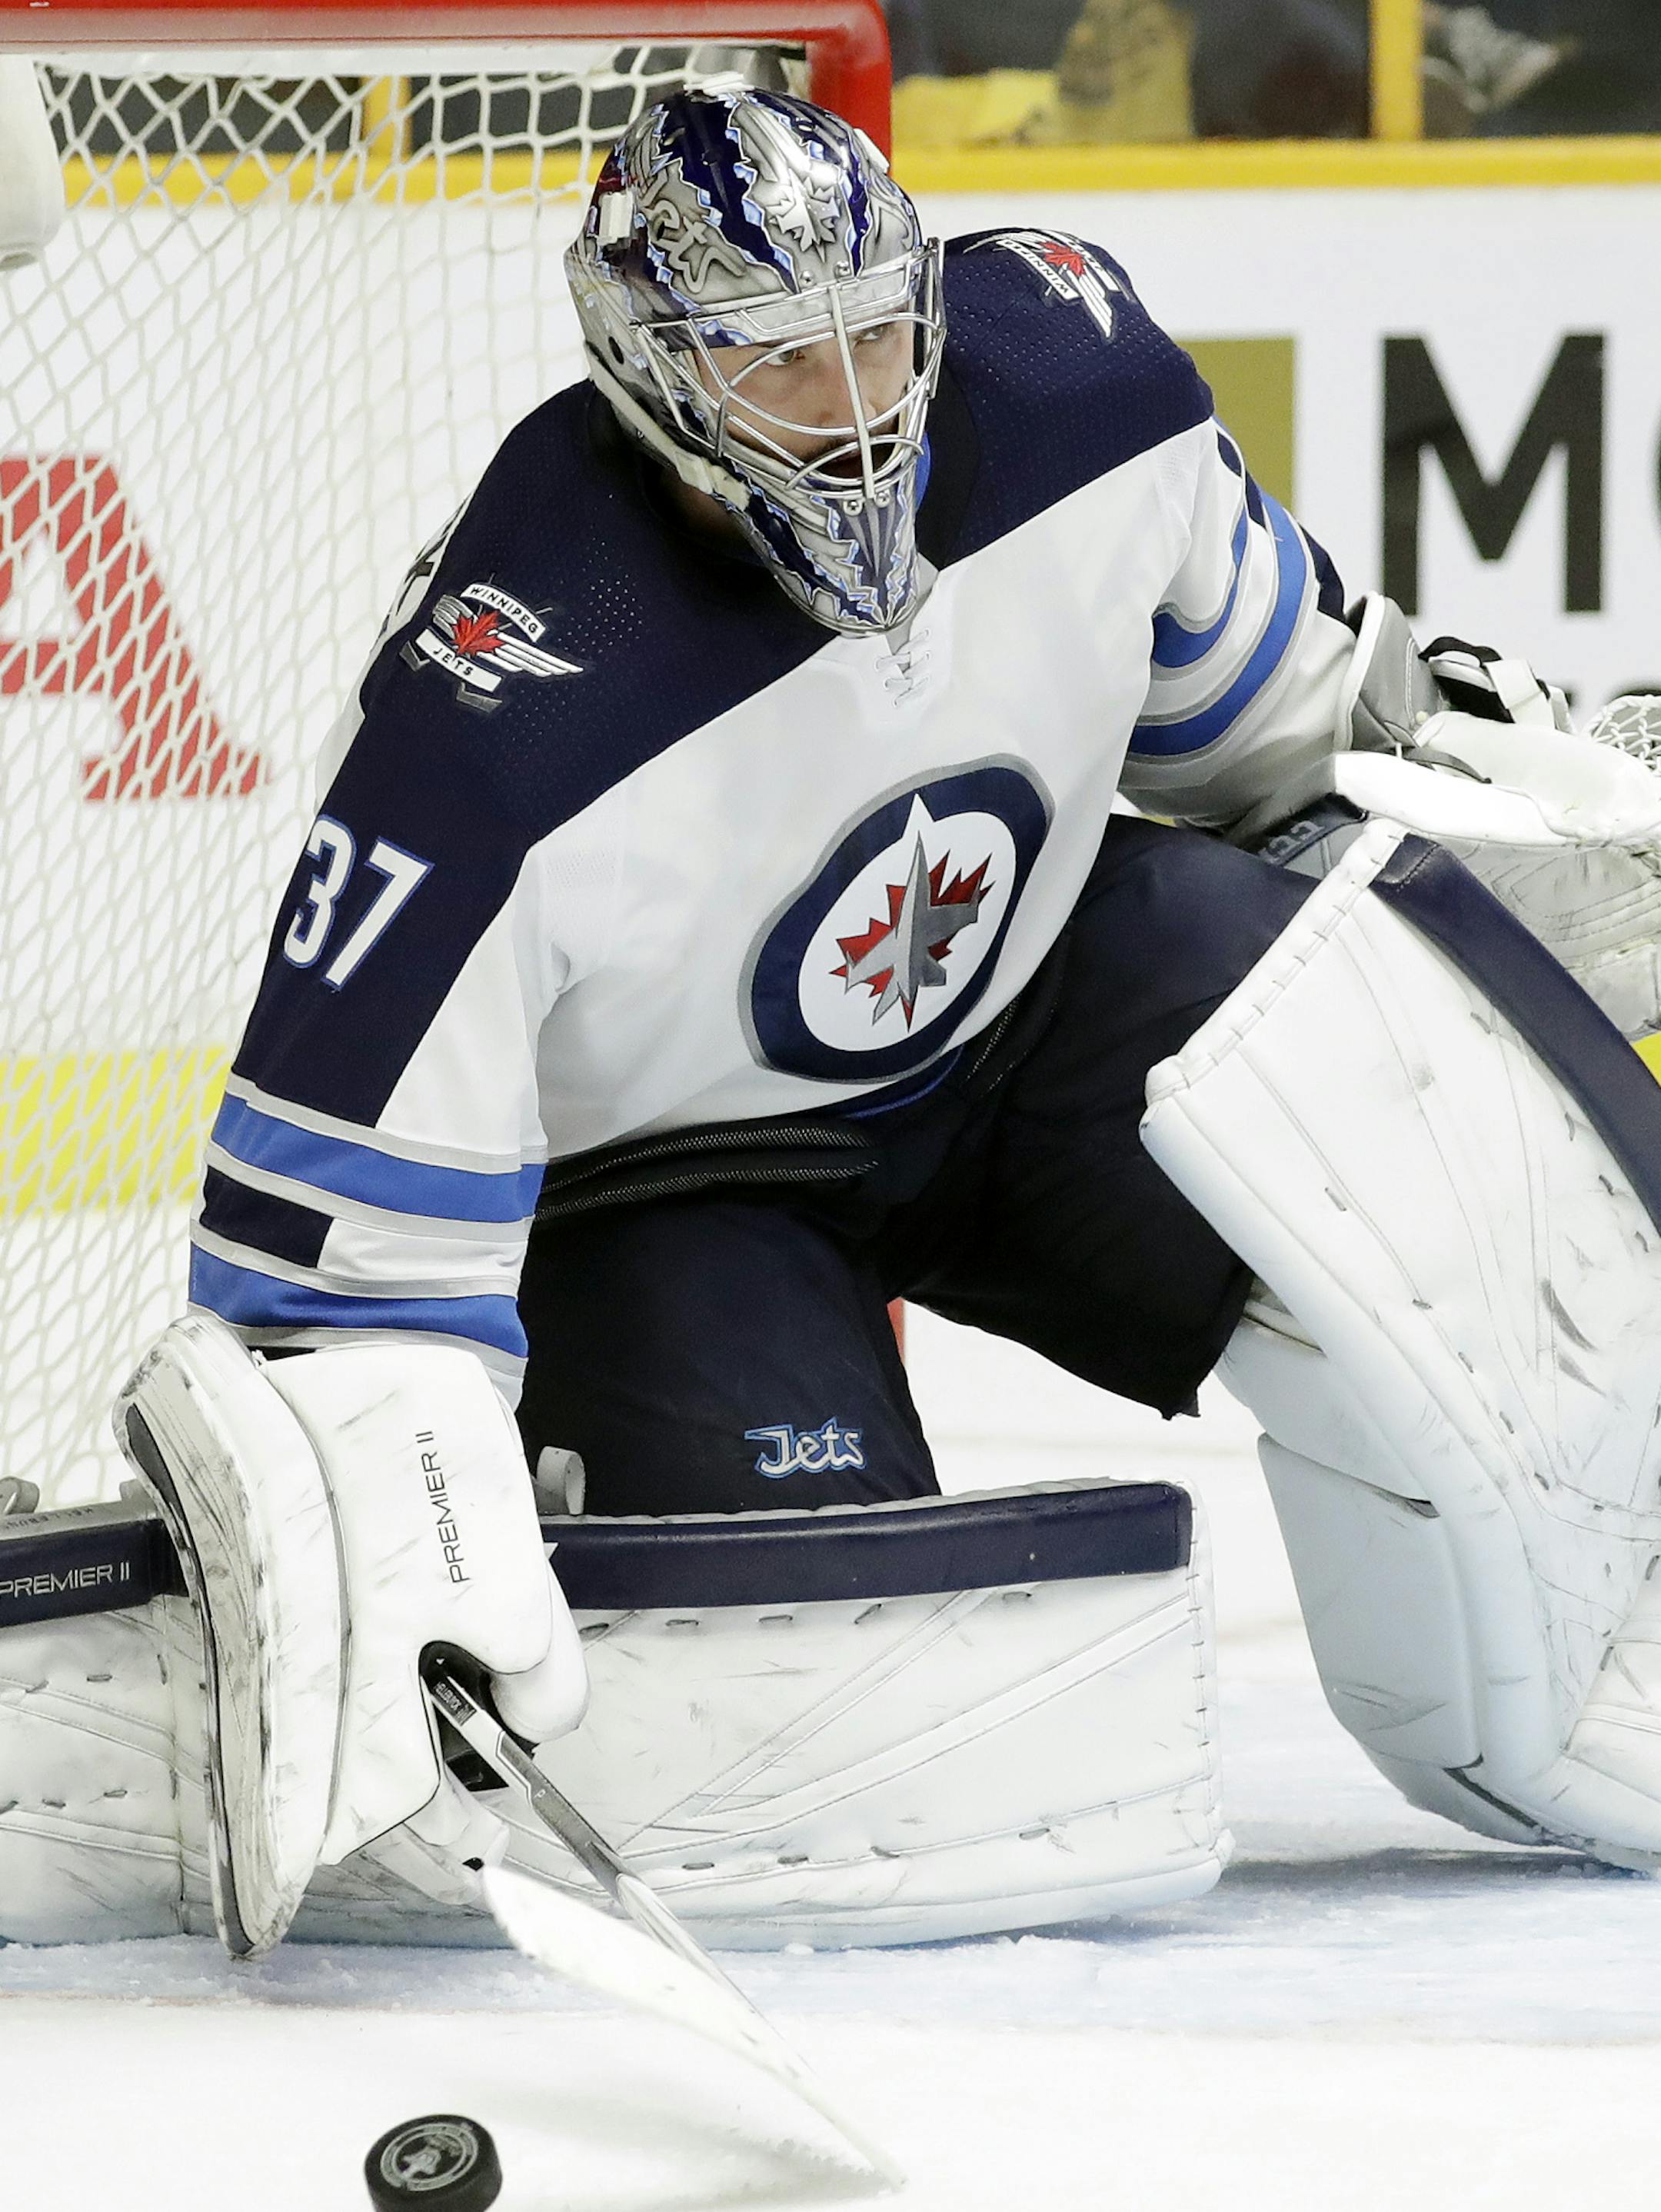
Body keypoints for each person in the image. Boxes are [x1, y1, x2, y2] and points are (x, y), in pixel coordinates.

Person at [86, 86, 1661, 1947]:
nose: (855, 409)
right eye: (777, 370)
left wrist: (1514, 790)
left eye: (877, 337)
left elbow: (1285, 721)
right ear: (654, 375)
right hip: (683, 1180)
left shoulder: (1076, 382)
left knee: (1369, 997)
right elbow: (327, 1284)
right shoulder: (494, 721)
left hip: (1041, 1029)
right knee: (826, 1709)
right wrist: (380, 1500)